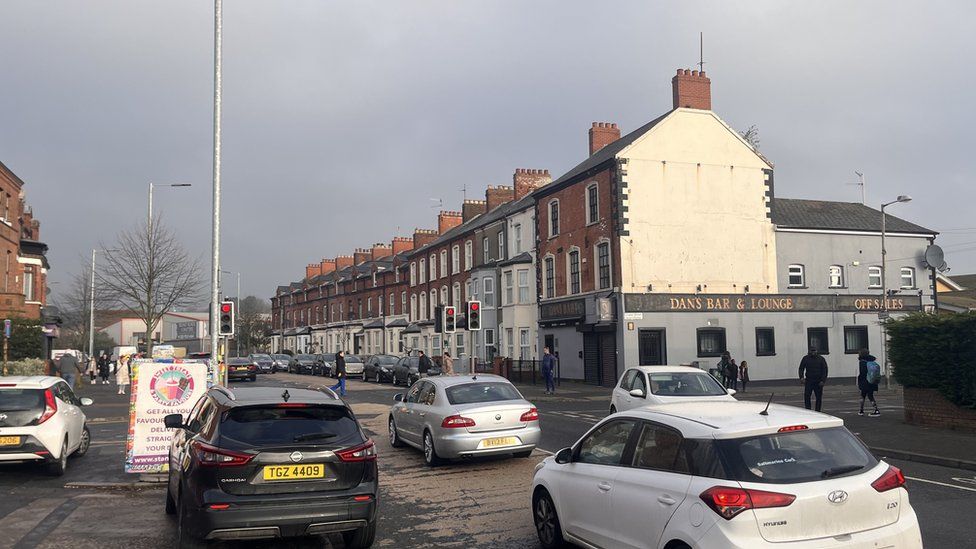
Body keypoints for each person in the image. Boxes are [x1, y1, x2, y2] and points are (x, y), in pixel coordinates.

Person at [798, 347, 829, 411]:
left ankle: (818, 411)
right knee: (807, 396)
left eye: (814, 351)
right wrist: (801, 377)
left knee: (818, 398)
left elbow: (825, 370)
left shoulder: (821, 359)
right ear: (809, 351)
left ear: (817, 351)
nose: (813, 352)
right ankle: (808, 410)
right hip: (809, 380)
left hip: (818, 381)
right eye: (812, 351)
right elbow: (801, 368)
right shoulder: (805, 358)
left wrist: (823, 380)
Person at [857, 349, 881, 417]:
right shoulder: (871, 360)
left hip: (865, 381)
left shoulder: (862, 362)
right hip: (872, 380)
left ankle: (875, 410)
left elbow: (862, 373)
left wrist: (860, 381)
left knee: (864, 395)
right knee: (868, 395)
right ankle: (861, 410)